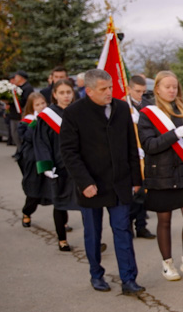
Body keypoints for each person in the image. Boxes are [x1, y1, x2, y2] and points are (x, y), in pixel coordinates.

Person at [60, 69, 144, 295]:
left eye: (110, 88)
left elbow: (130, 146)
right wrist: (84, 182)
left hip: (119, 183)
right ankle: (96, 274)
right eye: (103, 89)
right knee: (93, 233)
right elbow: (69, 152)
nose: (109, 93)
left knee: (123, 230)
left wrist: (136, 178)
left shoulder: (122, 108)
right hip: (92, 186)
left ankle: (128, 279)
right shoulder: (74, 113)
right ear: (89, 91)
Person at [138, 71, 183, 282]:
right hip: (161, 175)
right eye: (167, 87)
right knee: (164, 220)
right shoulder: (148, 113)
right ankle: (167, 264)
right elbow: (149, 145)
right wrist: (173, 135)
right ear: (157, 89)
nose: (172, 90)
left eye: (175, 86)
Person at [33, 79, 79, 251]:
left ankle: (92, 239)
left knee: (87, 205)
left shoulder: (79, 112)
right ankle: (62, 239)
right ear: (54, 94)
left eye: (69, 92)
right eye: (62, 92)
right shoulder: (47, 116)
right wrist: (46, 166)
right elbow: (42, 142)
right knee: (60, 203)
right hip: (58, 167)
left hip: (79, 166)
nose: (66, 96)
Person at [16, 93, 51, 229]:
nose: (42, 106)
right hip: (33, 160)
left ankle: (62, 222)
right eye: (37, 105)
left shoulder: (51, 119)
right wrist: (36, 121)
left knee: (56, 190)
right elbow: (27, 138)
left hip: (49, 157)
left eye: (43, 103)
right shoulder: (26, 122)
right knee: (34, 190)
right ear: (31, 108)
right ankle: (27, 212)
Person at [126, 74, 155, 240]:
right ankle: (128, 224)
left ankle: (141, 225)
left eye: (143, 91)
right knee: (134, 192)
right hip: (130, 154)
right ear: (129, 89)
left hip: (145, 153)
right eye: (137, 91)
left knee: (144, 192)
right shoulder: (123, 105)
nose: (140, 95)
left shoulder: (147, 105)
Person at [7, 71, 34, 147]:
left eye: (16, 77)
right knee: (14, 133)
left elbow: (24, 102)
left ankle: (21, 151)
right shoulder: (18, 87)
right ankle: (18, 151)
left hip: (21, 114)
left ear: (21, 78)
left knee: (18, 134)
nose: (14, 79)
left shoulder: (27, 88)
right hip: (14, 114)